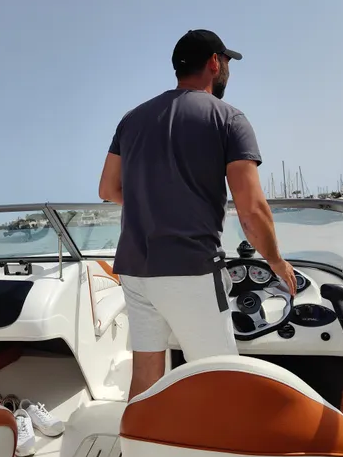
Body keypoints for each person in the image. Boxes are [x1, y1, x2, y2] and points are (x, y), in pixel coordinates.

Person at [99, 29, 296, 400]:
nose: (228, 71)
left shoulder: (132, 119)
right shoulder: (229, 119)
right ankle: (218, 438)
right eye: (227, 62)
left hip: (135, 269)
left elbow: (107, 190)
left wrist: (152, 203)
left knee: (146, 373)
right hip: (191, 269)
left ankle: (137, 438)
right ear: (214, 63)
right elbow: (251, 211)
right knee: (219, 378)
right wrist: (276, 261)